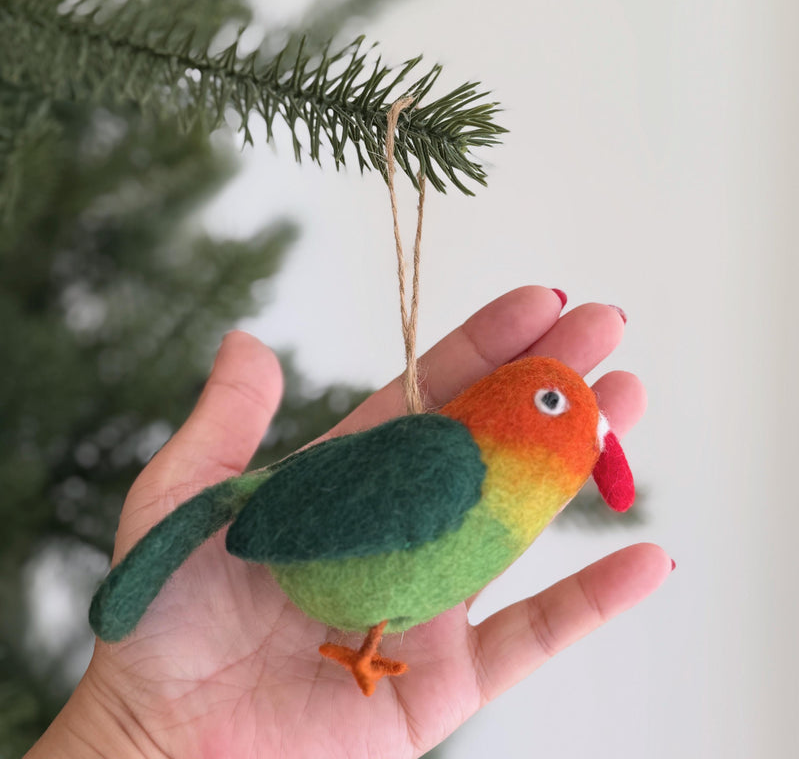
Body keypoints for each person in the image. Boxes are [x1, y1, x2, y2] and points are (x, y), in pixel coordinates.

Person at [25, 286, 672, 759]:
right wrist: (128, 735)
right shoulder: (452, 464)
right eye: (551, 403)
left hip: (358, 619)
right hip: (311, 568)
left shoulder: (505, 498)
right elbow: (314, 512)